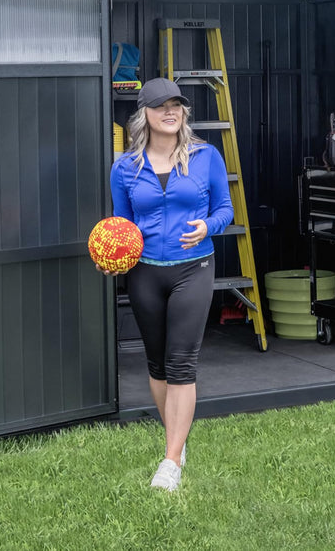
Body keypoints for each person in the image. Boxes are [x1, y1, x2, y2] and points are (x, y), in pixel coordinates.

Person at [107, 77, 234, 492]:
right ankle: (176, 443)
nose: (171, 111)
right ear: (144, 114)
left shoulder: (205, 156)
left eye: (176, 105)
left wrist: (207, 227)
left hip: (192, 268)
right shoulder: (124, 168)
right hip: (144, 272)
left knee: (182, 364)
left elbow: (225, 209)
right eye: (161, 105)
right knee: (158, 365)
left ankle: (170, 462)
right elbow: (121, 224)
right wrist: (112, 257)